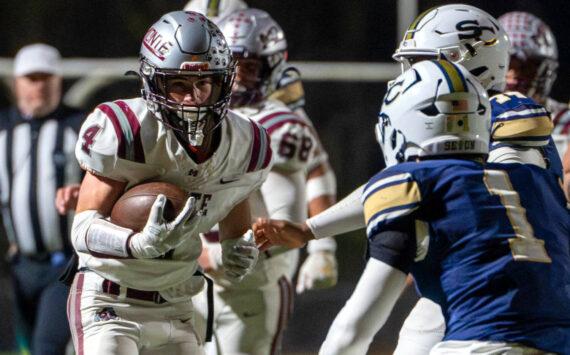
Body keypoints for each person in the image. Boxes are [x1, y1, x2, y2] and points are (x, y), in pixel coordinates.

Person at [253, 4, 566, 354]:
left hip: (506, 284)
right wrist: (311, 228)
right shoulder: (497, 126)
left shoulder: (499, 120)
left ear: (458, 58)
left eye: (423, 62)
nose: (410, 73)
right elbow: (410, 184)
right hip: (538, 296)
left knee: (408, 336)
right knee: (413, 337)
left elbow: (425, 189)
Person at [66, 11, 273, 354]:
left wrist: (239, 253)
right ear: (152, 82)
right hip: (110, 299)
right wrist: (138, 243)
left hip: (178, 303)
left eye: (203, 84)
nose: (193, 98)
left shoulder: (246, 145)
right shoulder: (126, 130)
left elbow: (234, 231)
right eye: (178, 85)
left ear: (222, 82)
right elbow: (82, 230)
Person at [190, 9, 336, 355]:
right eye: (231, 65)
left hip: (247, 281)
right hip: (191, 279)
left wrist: (322, 247)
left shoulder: (280, 125)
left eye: (249, 67)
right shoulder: (190, 112)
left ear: (270, 69)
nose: (237, 78)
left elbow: (281, 230)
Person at [0, 43, 85, 355]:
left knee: (46, 347)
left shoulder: (82, 126)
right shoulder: (4, 129)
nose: (38, 86)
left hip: (64, 262)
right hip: (21, 263)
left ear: (58, 82)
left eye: (45, 78)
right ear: (16, 83)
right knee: (26, 345)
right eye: (30, 78)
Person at [498, 11, 570, 199]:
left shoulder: (565, 121)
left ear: (545, 70)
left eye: (526, 67)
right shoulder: (477, 117)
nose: (513, 76)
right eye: (507, 65)